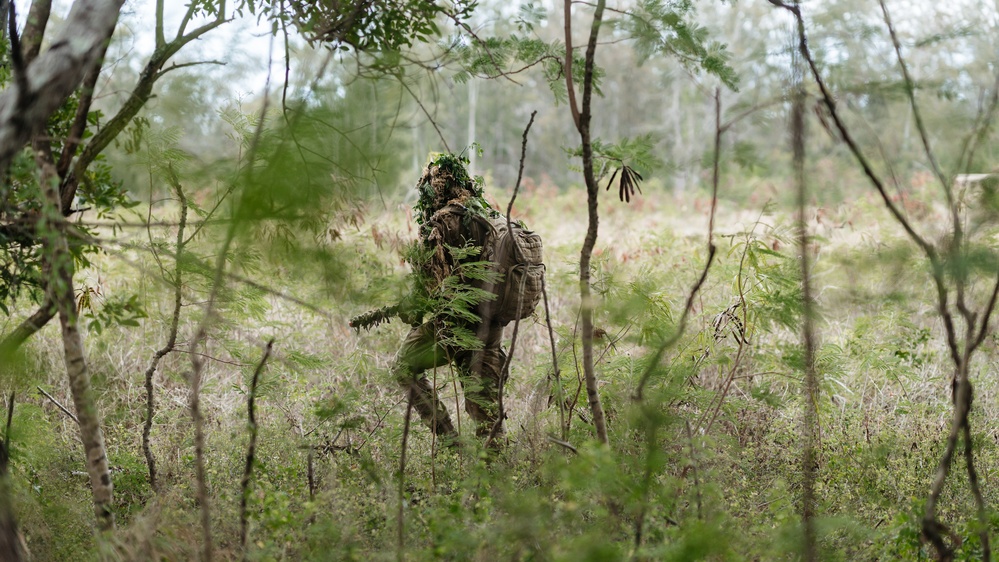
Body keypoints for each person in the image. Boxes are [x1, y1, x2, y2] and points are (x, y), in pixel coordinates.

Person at [391, 154, 509, 445]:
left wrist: (412, 306)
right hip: (491, 323)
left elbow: (429, 281)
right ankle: (496, 472)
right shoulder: (488, 215)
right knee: (484, 405)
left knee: (404, 367)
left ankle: (448, 440)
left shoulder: (442, 221)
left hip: (456, 324)